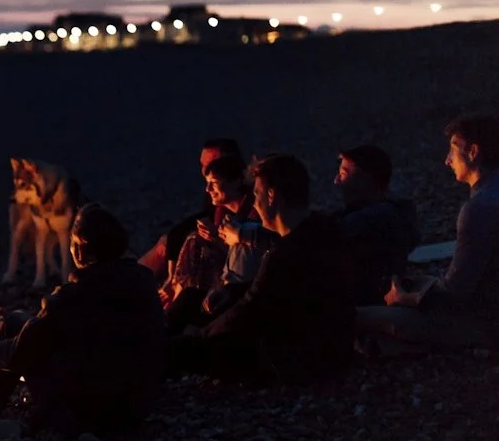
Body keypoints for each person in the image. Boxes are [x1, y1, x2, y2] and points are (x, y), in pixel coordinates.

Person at [0, 204, 167, 439]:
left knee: (17, 326)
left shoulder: (73, 296)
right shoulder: (143, 283)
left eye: (73, 242)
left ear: (82, 250)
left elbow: (20, 352)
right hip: (135, 408)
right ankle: (21, 421)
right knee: (25, 324)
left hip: (82, 413)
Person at [168, 154, 355, 385]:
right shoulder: (321, 228)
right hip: (326, 345)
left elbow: (251, 310)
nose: (254, 203)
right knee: (195, 299)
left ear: (271, 196)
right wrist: (232, 292)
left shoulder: (286, 253)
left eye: (256, 194)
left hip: (291, 358)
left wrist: (202, 334)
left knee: (179, 350)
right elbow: (275, 289)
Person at [356, 114, 499, 351]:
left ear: (473, 152)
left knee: (359, 315)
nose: (447, 160)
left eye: (453, 150)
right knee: (419, 284)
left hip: (483, 323)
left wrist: (404, 298)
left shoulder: (478, 209)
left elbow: (454, 295)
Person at [164, 154, 276, 332]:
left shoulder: (252, 220)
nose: (207, 189)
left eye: (214, 183)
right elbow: (176, 234)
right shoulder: (227, 214)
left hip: (241, 297)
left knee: (189, 299)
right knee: (194, 240)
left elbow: (255, 256)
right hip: (232, 290)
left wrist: (236, 236)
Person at [139, 138, 242, 280]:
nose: (205, 170)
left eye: (210, 164)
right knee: (167, 242)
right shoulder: (216, 193)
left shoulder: (241, 204)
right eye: (202, 165)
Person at [332, 145, 420, 306]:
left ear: (365, 180)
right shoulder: (398, 212)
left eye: (344, 174)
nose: (337, 181)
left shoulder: (374, 219)